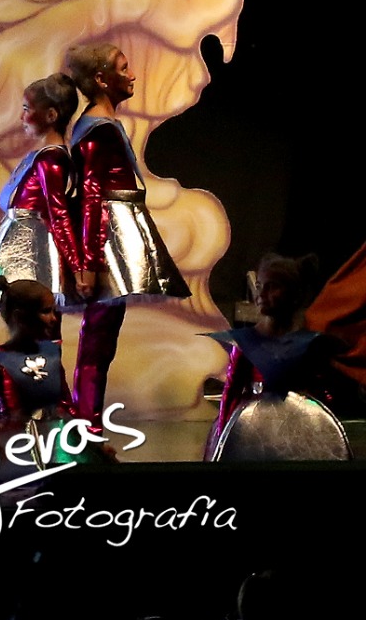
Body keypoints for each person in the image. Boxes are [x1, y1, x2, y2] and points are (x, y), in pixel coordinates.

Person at [61, 41, 189, 425]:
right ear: (102, 79)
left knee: (103, 336)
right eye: (123, 68)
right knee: (98, 337)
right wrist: (89, 261)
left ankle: (88, 420)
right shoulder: (98, 128)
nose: (132, 75)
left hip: (112, 233)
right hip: (107, 239)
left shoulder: (103, 124)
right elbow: (91, 195)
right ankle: (87, 424)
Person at [207, 252, 352, 461]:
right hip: (254, 430)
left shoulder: (308, 343)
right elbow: (232, 390)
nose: (261, 294)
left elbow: (322, 394)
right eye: (259, 286)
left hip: (298, 429)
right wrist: (223, 434)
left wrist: (323, 427)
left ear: (293, 294)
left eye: (272, 287)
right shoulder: (248, 342)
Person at [0, 75, 81, 309]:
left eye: (26, 109)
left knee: (28, 305)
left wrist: (76, 266)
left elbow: (58, 213)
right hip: (18, 236)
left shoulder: (51, 159)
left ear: (51, 115)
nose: (22, 117)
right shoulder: (42, 156)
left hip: (31, 246)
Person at [0, 276, 93, 479]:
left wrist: (90, 440)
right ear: (19, 317)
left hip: (53, 445)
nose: (54, 319)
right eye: (46, 312)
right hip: (15, 448)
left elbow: (65, 403)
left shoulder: (50, 355)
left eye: (53, 311)